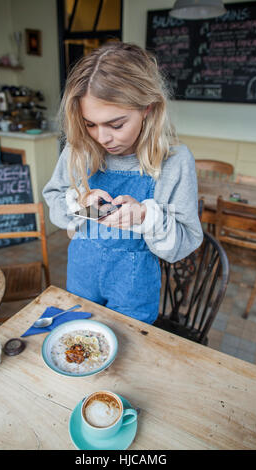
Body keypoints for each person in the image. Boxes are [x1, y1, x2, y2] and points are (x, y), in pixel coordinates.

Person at [43, 41, 203, 325]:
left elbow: (182, 244)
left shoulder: (175, 161)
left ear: (148, 109)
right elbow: (56, 201)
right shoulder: (79, 148)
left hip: (133, 291)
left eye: (115, 125)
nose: (102, 138)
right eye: (90, 124)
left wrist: (145, 216)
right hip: (81, 277)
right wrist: (80, 205)